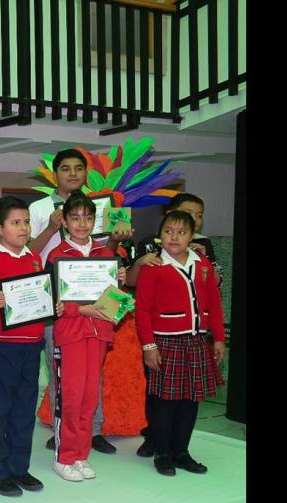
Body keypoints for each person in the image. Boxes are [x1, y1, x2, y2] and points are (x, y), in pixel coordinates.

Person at [28, 149, 117, 455]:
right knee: (63, 378)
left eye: (79, 168)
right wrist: (51, 227)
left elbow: (107, 261)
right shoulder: (40, 209)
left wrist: (117, 279)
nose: (73, 174)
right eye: (65, 168)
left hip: (96, 317)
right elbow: (28, 252)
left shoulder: (99, 205)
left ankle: (90, 434)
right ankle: (63, 436)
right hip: (59, 307)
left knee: (91, 381)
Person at [0, 197, 58, 497]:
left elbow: (39, 297)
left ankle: (19, 468)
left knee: (24, 410)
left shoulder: (34, 258)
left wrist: (53, 304)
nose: (23, 228)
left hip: (32, 345)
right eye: (15, 223)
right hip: (1, 347)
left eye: (26, 222)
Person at [134, 210, 226, 476]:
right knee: (165, 401)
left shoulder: (203, 263)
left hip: (196, 341)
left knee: (190, 400)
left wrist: (219, 338)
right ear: (160, 235)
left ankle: (181, 452)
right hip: (165, 343)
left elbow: (214, 303)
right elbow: (142, 310)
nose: (174, 237)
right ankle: (163, 453)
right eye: (168, 231)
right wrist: (149, 346)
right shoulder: (153, 266)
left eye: (182, 232)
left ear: (192, 236)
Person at [45, 193, 127, 482]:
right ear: (65, 222)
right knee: (70, 398)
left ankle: (81, 454)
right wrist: (81, 309)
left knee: (89, 398)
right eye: (75, 218)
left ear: (96, 221)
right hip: (70, 335)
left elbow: (115, 302)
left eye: (88, 218)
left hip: (99, 333)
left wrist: (120, 286)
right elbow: (51, 301)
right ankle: (64, 457)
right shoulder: (57, 256)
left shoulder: (106, 255)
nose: (82, 224)